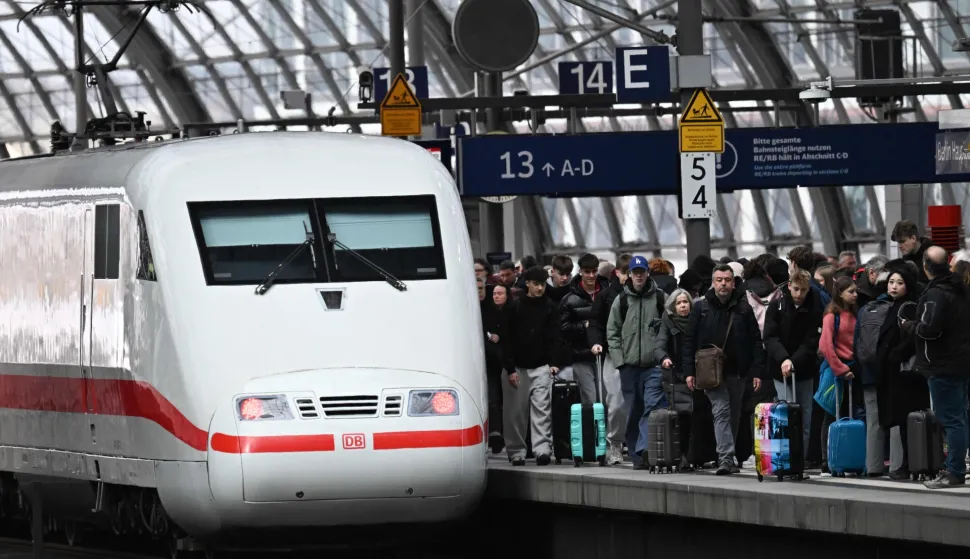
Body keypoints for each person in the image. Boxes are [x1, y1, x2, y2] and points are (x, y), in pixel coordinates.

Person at [683, 264, 766, 476]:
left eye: (727, 280)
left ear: (733, 282)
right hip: (710, 371)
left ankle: (728, 454)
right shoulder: (701, 308)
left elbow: (756, 340)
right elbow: (689, 341)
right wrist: (689, 371)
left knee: (734, 414)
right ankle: (726, 457)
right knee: (721, 411)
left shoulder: (743, 308)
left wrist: (756, 370)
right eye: (719, 280)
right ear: (713, 282)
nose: (723, 284)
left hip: (738, 370)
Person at [904, 246, 970, 488]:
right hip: (961, 362)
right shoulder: (961, 289)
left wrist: (910, 326)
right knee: (960, 417)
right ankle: (959, 467)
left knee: (951, 419)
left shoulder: (936, 294)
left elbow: (929, 329)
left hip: (942, 365)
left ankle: (954, 471)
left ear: (925, 266)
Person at [605, 255, 668, 469]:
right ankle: (636, 455)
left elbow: (669, 327)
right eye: (635, 272)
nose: (639, 276)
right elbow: (612, 332)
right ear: (629, 275)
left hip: (653, 366)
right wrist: (619, 362)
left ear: (647, 273)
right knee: (632, 411)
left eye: (642, 272)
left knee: (651, 408)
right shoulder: (621, 300)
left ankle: (645, 449)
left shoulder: (660, 298)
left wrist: (663, 356)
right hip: (629, 367)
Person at [500, 266, 564, 467]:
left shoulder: (550, 307)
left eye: (543, 284)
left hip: (541, 366)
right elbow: (507, 340)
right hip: (517, 367)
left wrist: (553, 363)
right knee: (515, 413)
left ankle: (542, 449)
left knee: (542, 409)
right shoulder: (515, 307)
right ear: (527, 283)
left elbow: (555, 337)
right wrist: (509, 368)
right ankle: (517, 451)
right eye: (536, 284)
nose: (540, 288)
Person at [871, 260, 926, 480]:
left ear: (908, 285)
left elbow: (912, 338)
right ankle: (908, 463)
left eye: (899, 283)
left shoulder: (909, 306)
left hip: (905, 375)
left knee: (907, 421)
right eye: (891, 282)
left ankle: (910, 464)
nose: (893, 286)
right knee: (903, 422)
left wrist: (895, 355)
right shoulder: (895, 305)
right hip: (897, 374)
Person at [762, 268, 821, 462]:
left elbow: (811, 340)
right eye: (795, 289)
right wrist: (784, 359)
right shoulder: (777, 306)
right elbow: (770, 337)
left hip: (804, 368)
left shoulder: (814, 307)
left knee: (804, 416)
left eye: (803, 290)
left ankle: (800, 459)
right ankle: (785, 458)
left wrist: (793, 360)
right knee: (785, 413)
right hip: (780, 368)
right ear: (789, 286)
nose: (799, 294)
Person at [588, 254, 633, 465]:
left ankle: (633, 445)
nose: (628, 277)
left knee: (637, 403)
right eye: (624, 272)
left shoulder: (644, 295)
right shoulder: (606, 296)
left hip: (638, 355)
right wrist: (596, 342)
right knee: (615, 403)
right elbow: (596, 323)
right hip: (613, 354)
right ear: (617, 272)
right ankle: (615, 443)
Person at [818, 276, 862, 474]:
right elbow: (825, 346)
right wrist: (841, 369)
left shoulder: (855, 314)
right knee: (831, 415)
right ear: (840, 293)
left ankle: (847, 456)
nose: (855, 294)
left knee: (849, 415)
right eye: (851, 291)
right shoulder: (831, 315)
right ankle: (827, 459)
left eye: (855, 291)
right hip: (837, 371)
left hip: (853, 369)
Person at [560, 253, 611, 407]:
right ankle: (591, 431)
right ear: (580, 271)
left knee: (607, 398)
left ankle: (606, 431)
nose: (591, 275)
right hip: (581, 354)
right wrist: (585, 325)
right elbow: (563, 328)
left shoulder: (608, 294)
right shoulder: (569, 299)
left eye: (594, 271)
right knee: (590, 400)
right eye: (587, 272)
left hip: (605, 355)